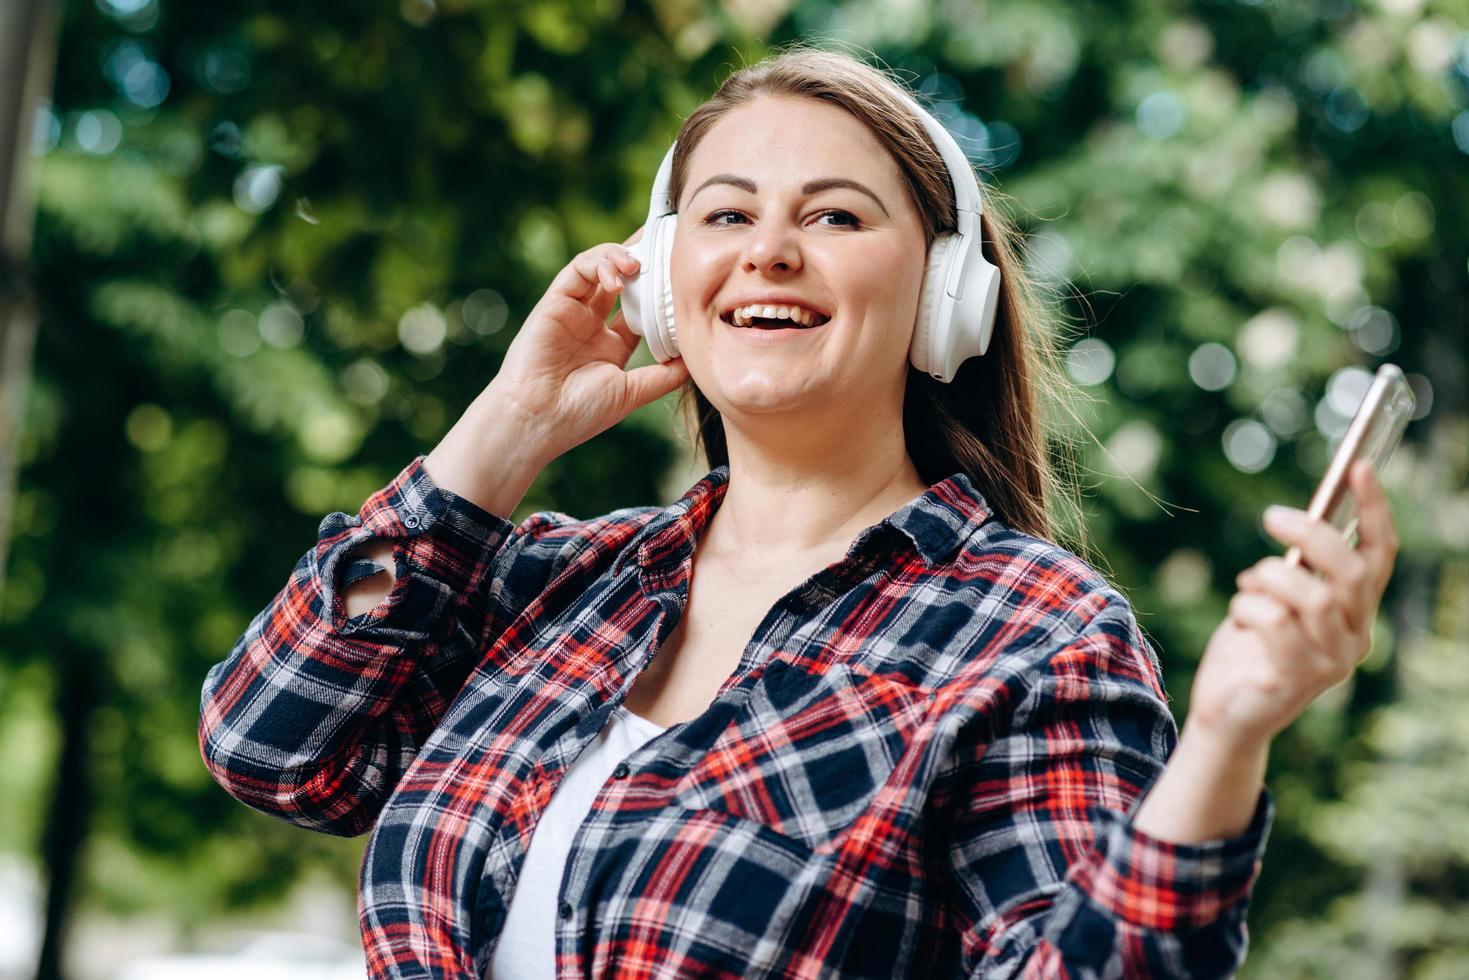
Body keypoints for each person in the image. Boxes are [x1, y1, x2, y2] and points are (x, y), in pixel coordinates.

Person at [198, 46, 1400, 979]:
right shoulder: (555, 579)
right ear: (667, 287)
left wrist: (1225, 743)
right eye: (725, 214)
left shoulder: (1033, 634)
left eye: (832, 215)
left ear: (944, 296)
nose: (768, 249)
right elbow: (277, 747)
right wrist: (506, 429)